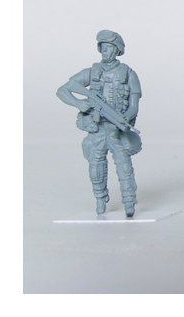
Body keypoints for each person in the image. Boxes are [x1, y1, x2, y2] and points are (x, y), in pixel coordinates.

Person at [56, 30, 142, 217]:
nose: (105, 50)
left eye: (109, 47)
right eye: (102, 47)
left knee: (125, 169)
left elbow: (134, 106)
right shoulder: (92, 72)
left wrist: (123, 120)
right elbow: (63, 90)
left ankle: (129, 202)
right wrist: (79, 103)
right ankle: (100, 199)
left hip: (116, 131)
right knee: (96, 168)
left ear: (117, 50)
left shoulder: (128, 74)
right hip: (97, 130)